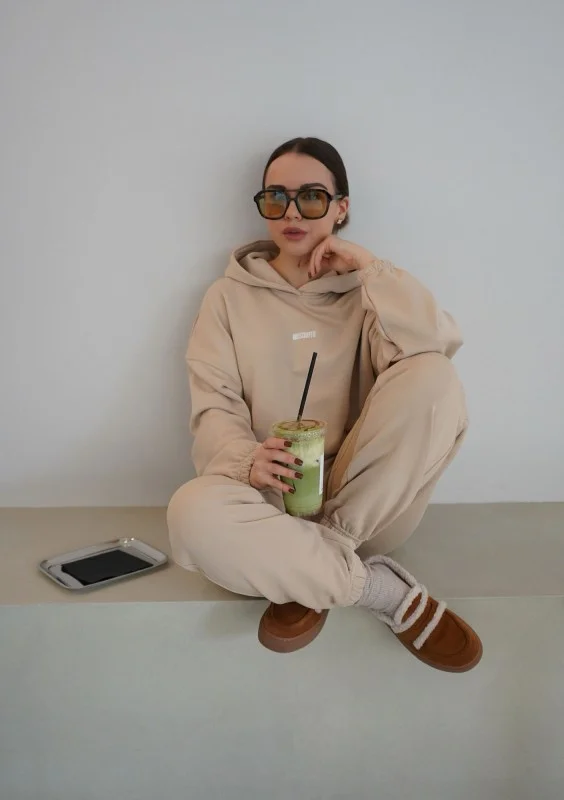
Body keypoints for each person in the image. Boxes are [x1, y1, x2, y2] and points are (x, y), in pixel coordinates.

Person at [167, 137, 483, 672]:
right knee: (189, 511)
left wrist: (372, 268)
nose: (291, 213)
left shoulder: (369, 293)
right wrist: (247, 462)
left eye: (311, 197)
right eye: (276, 198)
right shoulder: (226, 298)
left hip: (366, 510)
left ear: (341, 208)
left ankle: (318, 558)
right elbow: (214, 404)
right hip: (268, 506)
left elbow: (436, 346)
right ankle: (382, 592)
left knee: (434, 375)